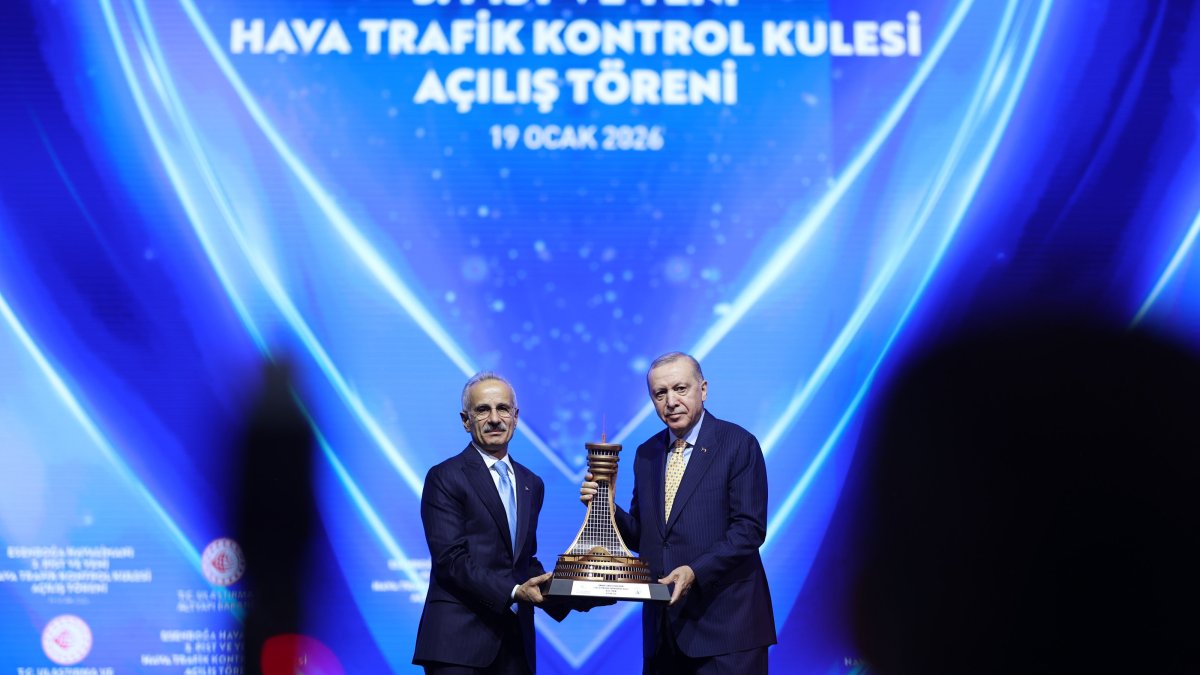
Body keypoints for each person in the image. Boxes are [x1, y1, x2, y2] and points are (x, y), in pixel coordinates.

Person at [581, 352, 776, 673]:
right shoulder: (647, 453)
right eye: (660, 393)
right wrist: (607, 508)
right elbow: (645, 538)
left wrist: (694, 571)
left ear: (703, 389)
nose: (671, 401)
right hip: (663, 635)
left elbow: (749, 530)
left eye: (680, 389)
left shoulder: (738, 444)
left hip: (727, 630)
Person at [414, 372, 560, 674]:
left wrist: (574, 590)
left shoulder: (532, 483)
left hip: (515, 646)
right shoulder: (445, 477)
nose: (495, 419)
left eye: (503, 408)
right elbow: (451, 560)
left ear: (516, 417)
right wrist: (515, 591)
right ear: (465, 421)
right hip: (457, 646)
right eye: (483, 410)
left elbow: (523, 561)